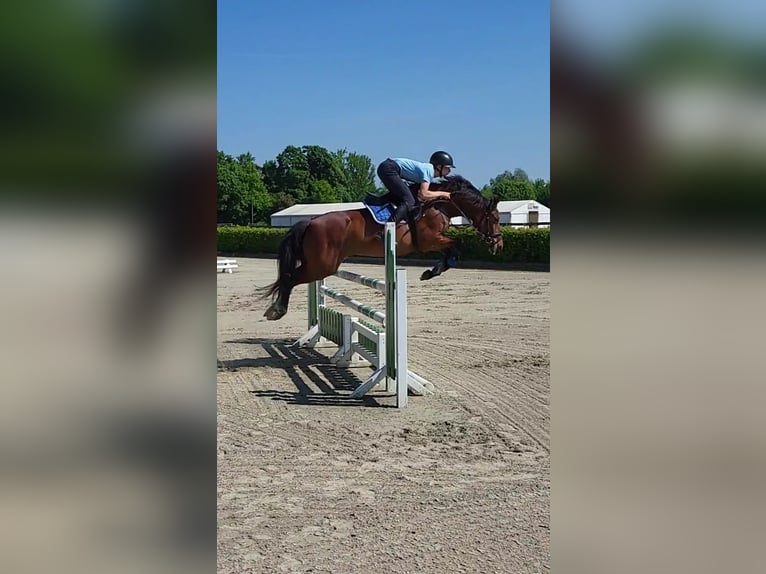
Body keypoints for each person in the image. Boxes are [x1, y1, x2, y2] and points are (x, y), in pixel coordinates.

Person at [376, 151, 455, 225]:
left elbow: (419, 195)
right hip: (389, 168)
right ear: (439, 166)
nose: (449, 171)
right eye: (447, 167)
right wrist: (444, 193)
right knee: (409, 201)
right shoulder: (429, 170)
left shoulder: (427, 170)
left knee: (407, 197)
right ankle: (388, 229)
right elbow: (424, 194)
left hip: (388, 167)